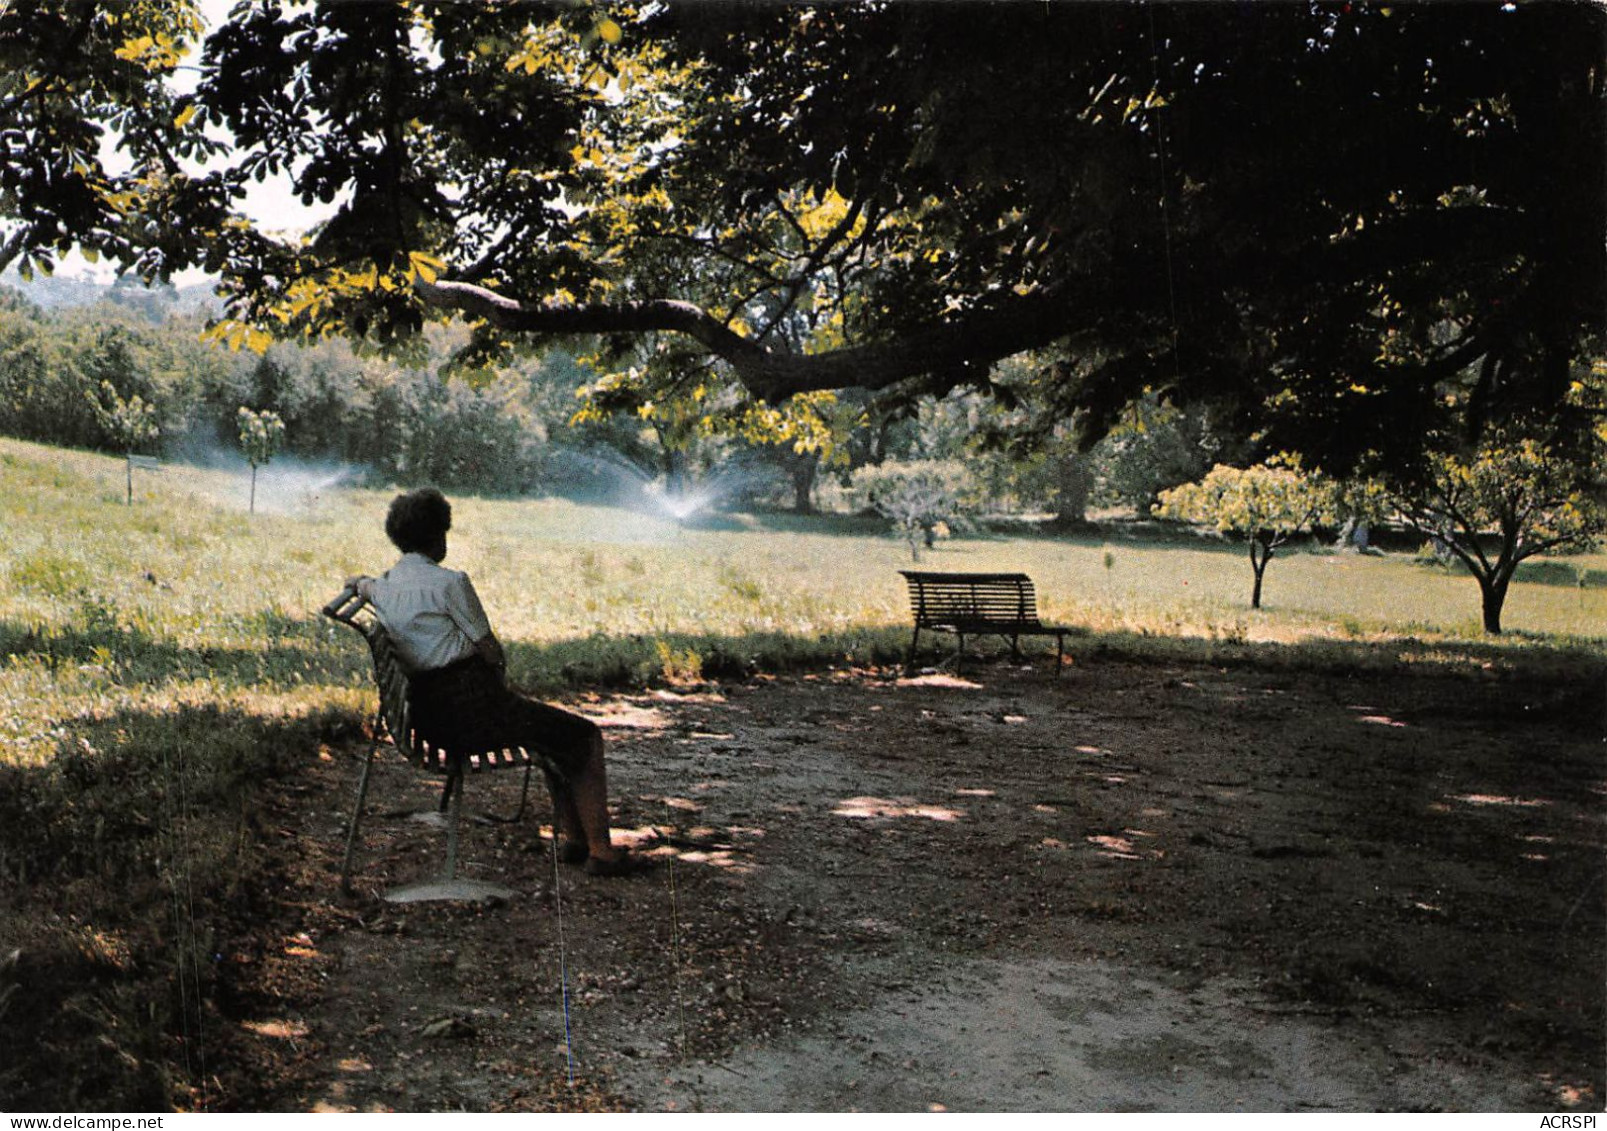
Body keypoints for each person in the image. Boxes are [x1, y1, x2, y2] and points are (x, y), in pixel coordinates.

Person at [346, 487, 643, 877]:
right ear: (438, 536)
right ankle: (601, 849)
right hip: (472, 713)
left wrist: (358, 581)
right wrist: (499, 679)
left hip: (427, 718)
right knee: (583, 736)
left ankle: (576, 839)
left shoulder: (383, 586)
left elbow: (361, 583)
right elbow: (489, 649)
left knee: (552, 736)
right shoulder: (450, 583)